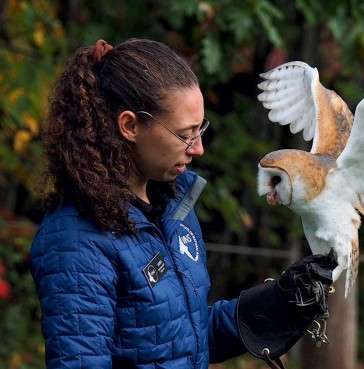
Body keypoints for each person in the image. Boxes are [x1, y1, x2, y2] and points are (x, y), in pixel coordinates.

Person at [30, 38, 337, 369]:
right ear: (130, 126)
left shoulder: (172, 209)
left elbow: (176, 341)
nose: (198, 148)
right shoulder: (77, 240)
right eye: (185, 134)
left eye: (200, 129)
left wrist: (275, 304)